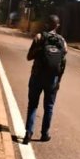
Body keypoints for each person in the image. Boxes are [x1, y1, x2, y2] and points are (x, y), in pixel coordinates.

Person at [22, 14, 67, 145]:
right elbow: (63, 62)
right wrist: (58, 80)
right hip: (52, 79)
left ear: (46, 24)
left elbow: (29, 57)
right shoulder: (62, 41)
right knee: (49, 107)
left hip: (37, 75)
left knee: (33, 105)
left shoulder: (39, 37)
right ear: (57, 26)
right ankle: (44, 134)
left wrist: (39, 50)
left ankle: (28, 133)